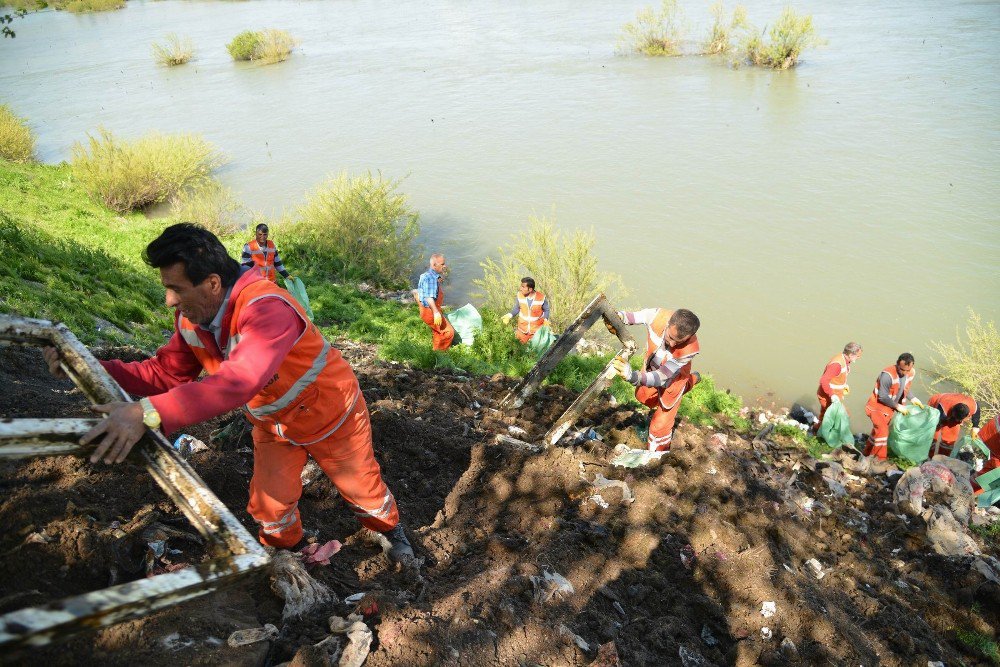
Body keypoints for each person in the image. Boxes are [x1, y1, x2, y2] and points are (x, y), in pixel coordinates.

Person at [43, 223, 412, 561]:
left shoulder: (268, 309)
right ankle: (293, 552)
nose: (169, 300)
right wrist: (88, 366)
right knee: (270, 507)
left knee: (362, 488)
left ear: (213, 283)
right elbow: (165, 373)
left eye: (176, 289)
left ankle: (391, 533)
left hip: (331, 414)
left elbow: (238, 383)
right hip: (275, 425)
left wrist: (147, 413)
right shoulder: (194, 317)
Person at [613, 308, 701, 452]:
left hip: (674, 379)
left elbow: (662, 377)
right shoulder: (657, 316)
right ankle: (693, 379)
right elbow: (633, 316)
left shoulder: (689, 350)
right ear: (667, 324)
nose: (672, 344)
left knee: (659, 426)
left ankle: (656, 454)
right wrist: (618, 317)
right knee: (643, 397)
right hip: (652, 369)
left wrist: (633, 376)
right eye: (670, 337)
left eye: (679, 341)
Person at [863, 353, 916, 459]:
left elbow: (905, 388)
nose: (904, 373)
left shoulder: (910, 373)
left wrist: (913, 398)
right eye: (902, 370)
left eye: (907, 370)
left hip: (889, 409)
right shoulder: (887, 375)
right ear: (897, 364)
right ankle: (879, 459)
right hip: (876, 407)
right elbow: (882, 396)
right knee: (883, 431)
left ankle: (866, 454)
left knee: (877, 434)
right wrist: (898, 406)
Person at [816, 342, 863, 430]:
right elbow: (823, 380)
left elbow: (836, 377)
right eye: (858, 355)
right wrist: (832, 395)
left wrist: (843, 385)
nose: (859, 357)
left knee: (824, 415)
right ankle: (827, 435)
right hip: (828, 397)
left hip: (830, 396)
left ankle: (817, 430)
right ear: (850, 354)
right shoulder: (837, 365)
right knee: (844, 415)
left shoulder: (844, 360)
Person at [415, 253, 454, 351]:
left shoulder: (426, 275)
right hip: (430, 311)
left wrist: (439, 278)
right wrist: (436, 313)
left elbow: (421, 292)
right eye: (442, 264)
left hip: (425, 310)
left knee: (438, 331)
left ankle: (435, 351)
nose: (444, 266)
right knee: (448, 332)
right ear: (434, 265)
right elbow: (428, 297)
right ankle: (441, 357)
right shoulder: (431, 279)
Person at [501, 277, 550, 344]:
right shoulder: (519, 295)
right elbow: (517, 308)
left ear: (530, 289)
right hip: (522, 330)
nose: (520, 288)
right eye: (521, 286)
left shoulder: (541, 297)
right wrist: (509, 316)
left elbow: (546, 310)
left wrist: (546, 320)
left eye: (523, 287)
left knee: (534, 352)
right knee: (519, 350)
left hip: (536, 332)